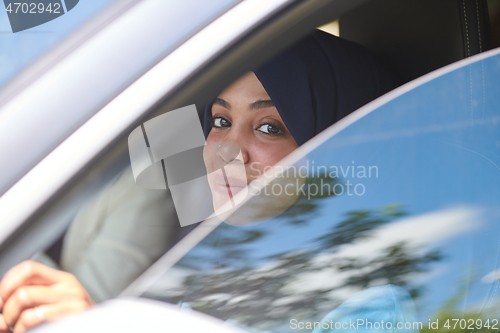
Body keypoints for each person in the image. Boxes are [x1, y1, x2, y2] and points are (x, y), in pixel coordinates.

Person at [0, 30, 398, 333]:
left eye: (269, 127)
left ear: (334, 145)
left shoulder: (370, 307)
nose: (228, 151)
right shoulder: (212, 265)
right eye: (221, 121)